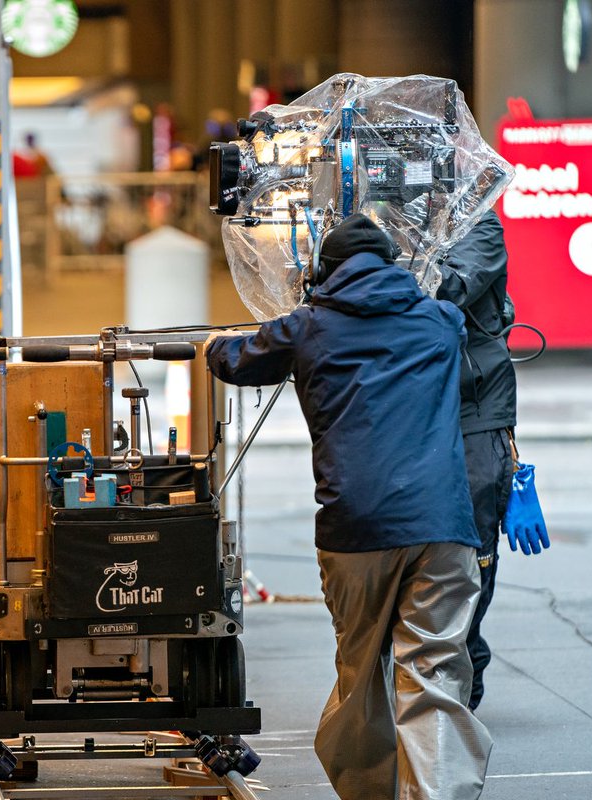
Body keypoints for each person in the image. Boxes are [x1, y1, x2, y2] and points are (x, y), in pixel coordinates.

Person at [206, 214, 492, 800]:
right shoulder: (441, 322)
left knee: (361, 674)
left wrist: (209, 344)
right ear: (394, 266)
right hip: (443, 527)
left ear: (323, 275)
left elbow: (237, 360)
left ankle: (371, 793)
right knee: (434, 674)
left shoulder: (310, 325)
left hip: (355, 529)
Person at [436, 209, 517, 711]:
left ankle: (467, 670)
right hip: (418, 404)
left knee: (475, 540)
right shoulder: (383, 218)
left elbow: (449, 290)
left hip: (477, 405)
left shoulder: (479, 224)